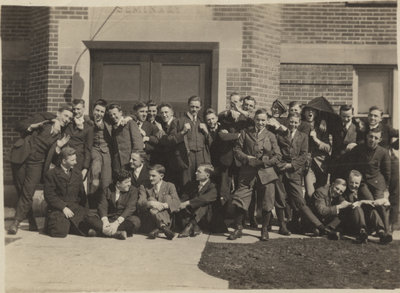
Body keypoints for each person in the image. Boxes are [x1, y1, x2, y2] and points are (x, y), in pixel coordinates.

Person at [8, 105, 73, 235]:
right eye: (65, 116)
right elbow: (18, 125)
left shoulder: (62, 135)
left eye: (70, 118)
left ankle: (16, 222)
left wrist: (58, 147)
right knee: (21, 191)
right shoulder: (44, 119)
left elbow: (54, 159)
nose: (67, 119)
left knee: (28, 192)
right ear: (58, 114)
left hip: (37, 163)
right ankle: (31, 220)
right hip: (21, 156)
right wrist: (34, 126)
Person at [229, 109, 286, 241]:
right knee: (240, 199)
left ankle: (264, 229)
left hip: (266, 173)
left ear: (267, 121)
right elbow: (237, 149)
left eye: (263, 120)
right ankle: (238, 229)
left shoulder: (271, 135)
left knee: (267, 201)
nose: (260, 122)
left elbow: (278, 155)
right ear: (254, 120)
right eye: (258, 119)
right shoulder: (245, 132)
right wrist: (247, 159)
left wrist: (266, 162)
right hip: (247, 172)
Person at [276, 112, 328, 236]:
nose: (292, 124)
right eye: (291, 121)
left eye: (295, 122)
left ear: (299, 123)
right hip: (281, 172)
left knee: (300, 201)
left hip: (294, 172)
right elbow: (276, 152)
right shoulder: (279, 135)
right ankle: (282, 226)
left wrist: (292, 165)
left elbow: (304, 155)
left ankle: (320, 227)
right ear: (287, 121)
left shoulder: (303, 136)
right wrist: (282, 165)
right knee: (280, 199)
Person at [346, 128, 392, 240]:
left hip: (378, 182)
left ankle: (386, 231)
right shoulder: (359, 149)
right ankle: (378, 229)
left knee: (380, 204)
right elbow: (351, 166)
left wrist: (384, 189)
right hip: (363, 182)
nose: (372, 140)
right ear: (367, 136)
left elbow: (387, 173)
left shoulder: (383, 152)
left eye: (376, 138)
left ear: (380, 139)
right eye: (371, 136)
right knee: (370, 202)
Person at [358, 106, 399, 231]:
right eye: (371, 115)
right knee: (374, 197)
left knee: (394, 192)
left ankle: (392, 223)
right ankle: (376, 225)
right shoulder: (363, 129)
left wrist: (393, 146)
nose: (373, 118)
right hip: (373, 168)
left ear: (381, 118)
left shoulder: (386, 128)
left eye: (376, 116)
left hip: (389, 163)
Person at [43, 147, 88, 238]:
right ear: (64, 161)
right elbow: (49, 195)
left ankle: (71, 224)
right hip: (58, 209)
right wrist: (63, 208)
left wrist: (85, 211)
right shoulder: (51, 174)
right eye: (72, 160)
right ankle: (66, 224)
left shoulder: (77, 173)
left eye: (75, 159)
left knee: (90, 225)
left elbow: (82, 195)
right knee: (59, 232)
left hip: (74, 208)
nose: (76, 162)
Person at [85, 169, 141, 240]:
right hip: (109, 218)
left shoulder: (133, 190)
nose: (129, 184)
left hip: (123, 219)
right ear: (118, 184)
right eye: (126, 182)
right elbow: (102, 206)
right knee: (88, 217)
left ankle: (98, 232)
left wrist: (116, 223)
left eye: (130, 181)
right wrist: (105, 221)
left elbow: (130, 208)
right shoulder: (107, 189)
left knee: (136, 221)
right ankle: (116, 234)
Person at [174, 96, 211, 189]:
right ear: (188, 106)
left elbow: (211, 143)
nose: (194, 109)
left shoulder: (202, 121)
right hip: (186, 157)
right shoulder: (179, 121)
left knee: (200, 183)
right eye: (192, 106)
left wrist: (206, 132)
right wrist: (182, 132)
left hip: (201, 156)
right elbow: (171, 140)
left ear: (200, 108)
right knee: (186, 184)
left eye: (197, 107)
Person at [138, 164, 180, 240]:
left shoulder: (170, 186)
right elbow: (140, 202)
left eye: (153, 176)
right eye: (149, 175)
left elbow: (177, 203)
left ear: (161, 176)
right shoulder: (144, 185)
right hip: (149, 220)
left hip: (167, 218)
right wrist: (151, 203)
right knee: (151, 199)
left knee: (168, 197)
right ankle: (163, 227)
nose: (150, 178)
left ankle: (159, 228)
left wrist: (163, 206)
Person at [178, 164, 218, 237]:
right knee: (183, 205)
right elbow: (185, 196)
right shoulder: (192, 184)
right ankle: (195, 227)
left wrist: (188, 202)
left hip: (207, 218)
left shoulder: (212, 186)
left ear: (207, 175)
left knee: (205, 204)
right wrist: (180, 204)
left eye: (199, 172)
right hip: (193, 214)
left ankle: (190, 226)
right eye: (196, 171)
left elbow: (204, 199)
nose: (196, 173)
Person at [106, 103, 144, 172]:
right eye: (111, 115)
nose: (113, 116)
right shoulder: (113, 127)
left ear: (120, 113)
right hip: (117, 165)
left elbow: (138, 144)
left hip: (130, 162)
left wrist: (134, 160)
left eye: (115, 114)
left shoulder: (130, 123)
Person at [88, 99, 112, 197]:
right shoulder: (88, 120)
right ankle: (94, 185)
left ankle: (104, 201)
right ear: (93, 110)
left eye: (102, 111)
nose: (99, 113)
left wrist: (127, 118)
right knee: (96, 166)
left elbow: (127, 117)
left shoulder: (108, 122)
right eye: (97, 110)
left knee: (107, 178)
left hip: (106, 151)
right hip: (94, 149)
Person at [63, 99, 94, 178]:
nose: (76, 111)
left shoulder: (89, 127)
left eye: (78, 109)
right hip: (64, 160)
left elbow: (88, 149)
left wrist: (85, 168)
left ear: (84, 109)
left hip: (78, 161)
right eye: (74, 109)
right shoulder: (67, 122)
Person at [330, 105, 358, 181]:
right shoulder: (335, 125)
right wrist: (322, 122)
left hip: (352, 164)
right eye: (343, 116)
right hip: (336, 164)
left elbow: (363, 143)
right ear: (340, 115)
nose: (346, 119)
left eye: (348, 116)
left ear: (352, 114)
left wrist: (355, 146)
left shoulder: (358, 126)